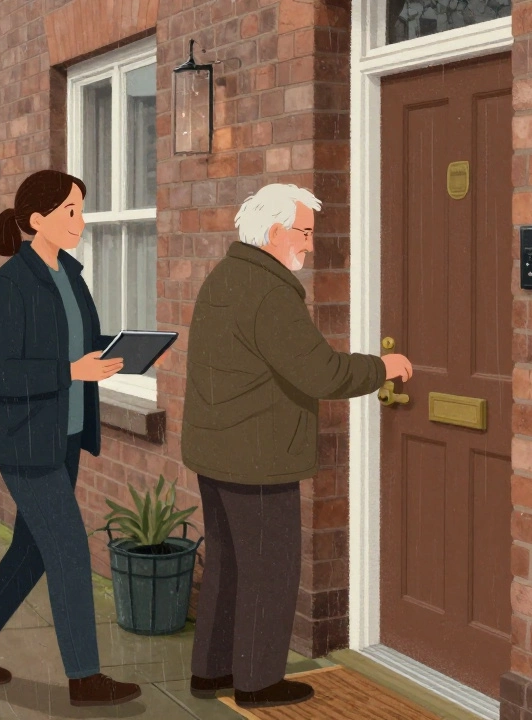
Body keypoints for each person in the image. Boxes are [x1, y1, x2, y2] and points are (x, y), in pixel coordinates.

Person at [182, 184, 413, 709]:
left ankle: (210, 672)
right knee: (269, 569)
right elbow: (320, 371)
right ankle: (259, 683)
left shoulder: (224, 277)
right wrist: (383, 368)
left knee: (227, 564)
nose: (309, 246)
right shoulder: (270, 291)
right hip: (258, 459)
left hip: (216, 453)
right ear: (275, 230)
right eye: (304, 233)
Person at [0, 169, 142, 707]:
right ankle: (85, 679)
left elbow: (78, 343)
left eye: (81, 209)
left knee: (32, 549)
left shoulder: (71, 276)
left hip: (66, 434)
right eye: (71, 211)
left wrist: (125, 349)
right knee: (69, 552)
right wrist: (71, 372)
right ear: (37, 220)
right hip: (24, 440)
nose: (81, 221)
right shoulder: (10, 284)